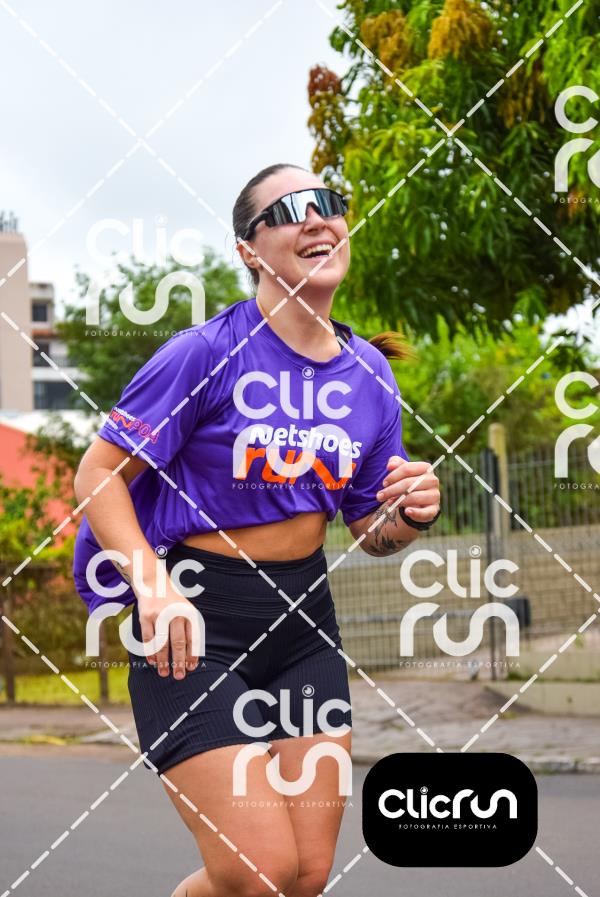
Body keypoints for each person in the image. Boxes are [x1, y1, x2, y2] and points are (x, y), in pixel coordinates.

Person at [73, 162, 441, 897]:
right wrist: (154, 588)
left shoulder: (369, 373)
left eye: (329, 201)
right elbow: (98, 475)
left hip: (304, 625)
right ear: (249, 249)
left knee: (305, 875)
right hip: (193, 624)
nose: (317, 217)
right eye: (291, 208)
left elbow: (368, 527)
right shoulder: (205, 353)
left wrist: (409, 513)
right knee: (259, 870)